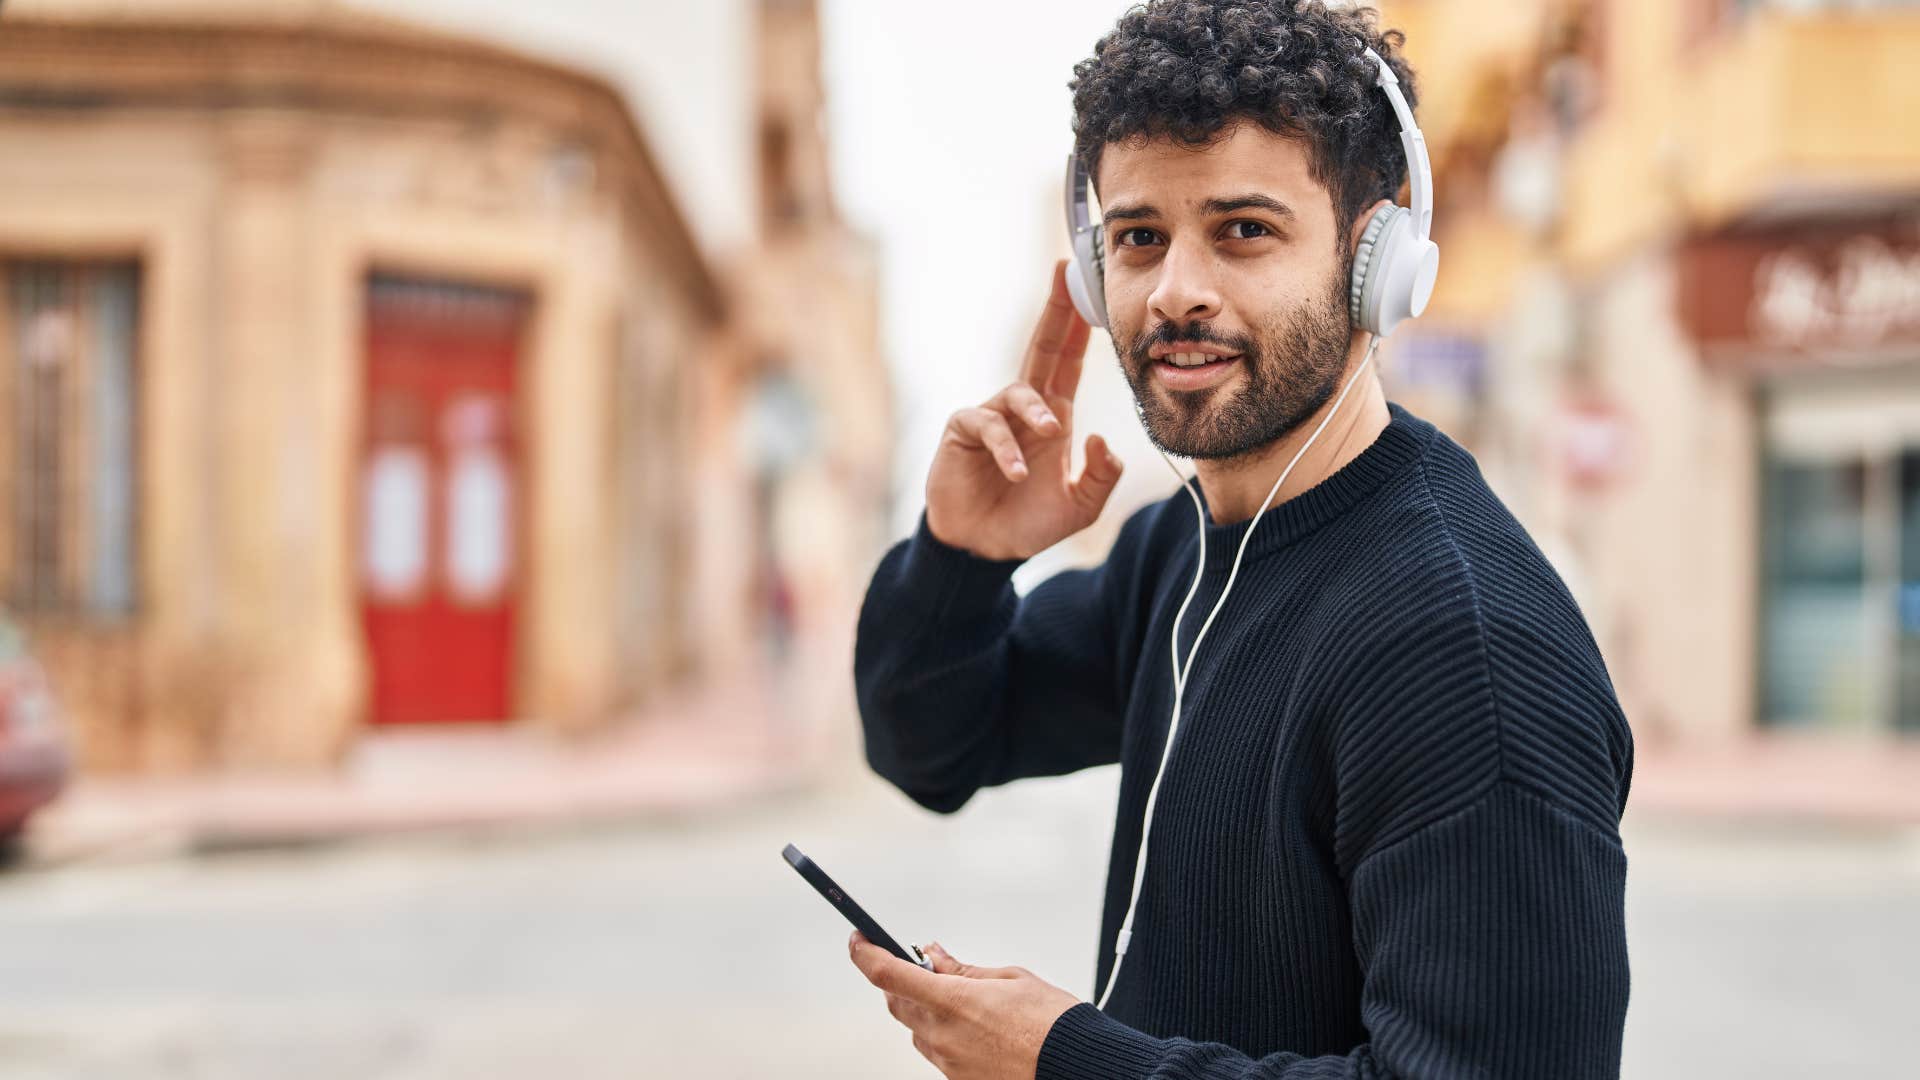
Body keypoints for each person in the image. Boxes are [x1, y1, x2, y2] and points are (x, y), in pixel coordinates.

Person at [847, 2, 1633, 1077]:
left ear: (1378, 264)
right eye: (1138, 239)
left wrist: (1065, 1061)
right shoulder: (1183, 552)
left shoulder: (1463, 647)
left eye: (1243, 230)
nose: (1175, 292)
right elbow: (932, 744)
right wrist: (961, 558)